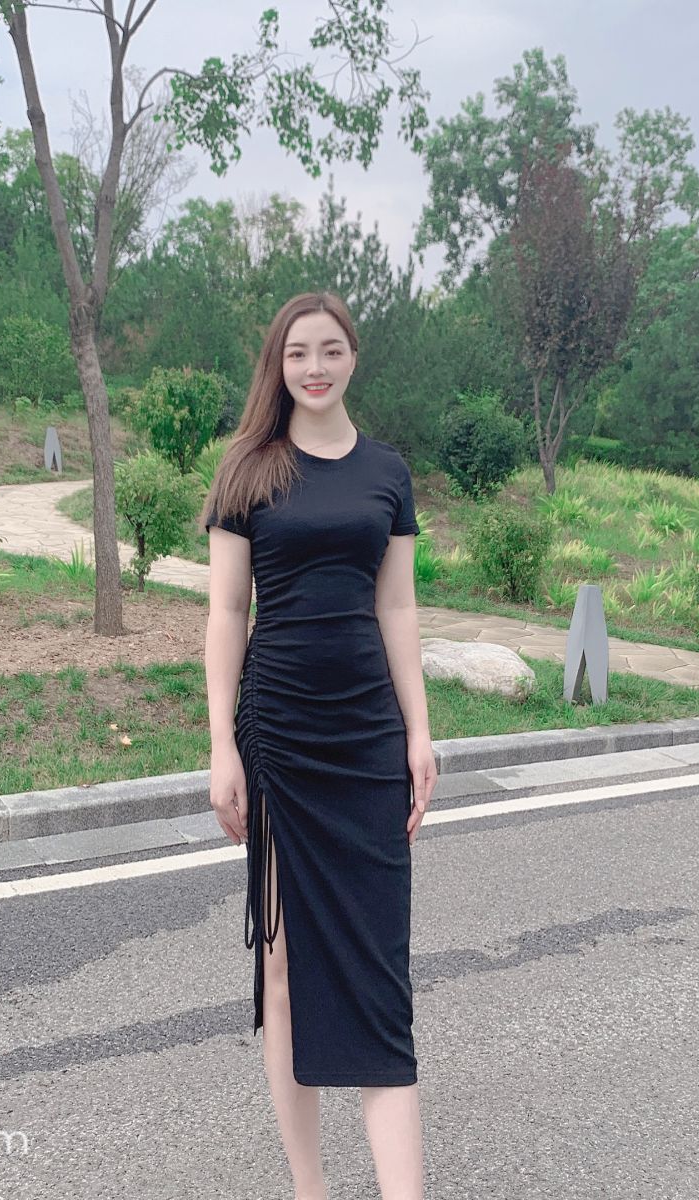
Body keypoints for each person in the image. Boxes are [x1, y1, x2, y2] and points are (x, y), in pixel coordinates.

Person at [200, 291, 437, 1200]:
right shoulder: (248, 469)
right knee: (284, 965)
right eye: (298, 352)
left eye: (330, 349)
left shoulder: (387, 472)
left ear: (352, 357)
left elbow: (397, 606)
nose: (314, 367)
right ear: (279, 363)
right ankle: (311, 1188)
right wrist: (221, 745)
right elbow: (227, 612)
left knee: (380, 969)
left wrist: (420, 732)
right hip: (281, 734)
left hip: (368, 736)